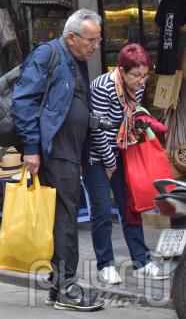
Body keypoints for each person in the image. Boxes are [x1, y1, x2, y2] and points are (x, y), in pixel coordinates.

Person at [13, 9, 104, 312]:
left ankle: (59, 287)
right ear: (71, 37)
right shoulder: (48, 55)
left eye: (98, 39)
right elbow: (23, 101)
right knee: (65, 219)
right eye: (91, 40)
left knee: (63, 217)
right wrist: (31, 147)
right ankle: (66, 288)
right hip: (56, 149)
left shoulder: (77, 60)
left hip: (72, 150)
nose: (96, 45)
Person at [85, 43, 168, 284]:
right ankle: (105, 264)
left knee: (131, 206)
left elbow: (131, 117)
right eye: (135, 75)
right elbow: (96, 130)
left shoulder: (137, 87)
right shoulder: (103, 87)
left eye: (145, 75)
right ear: (121, 70)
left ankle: (141, 260)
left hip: (123, 149)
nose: (141, 81)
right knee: (101, 209)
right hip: (97, 154)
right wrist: (110, 163)